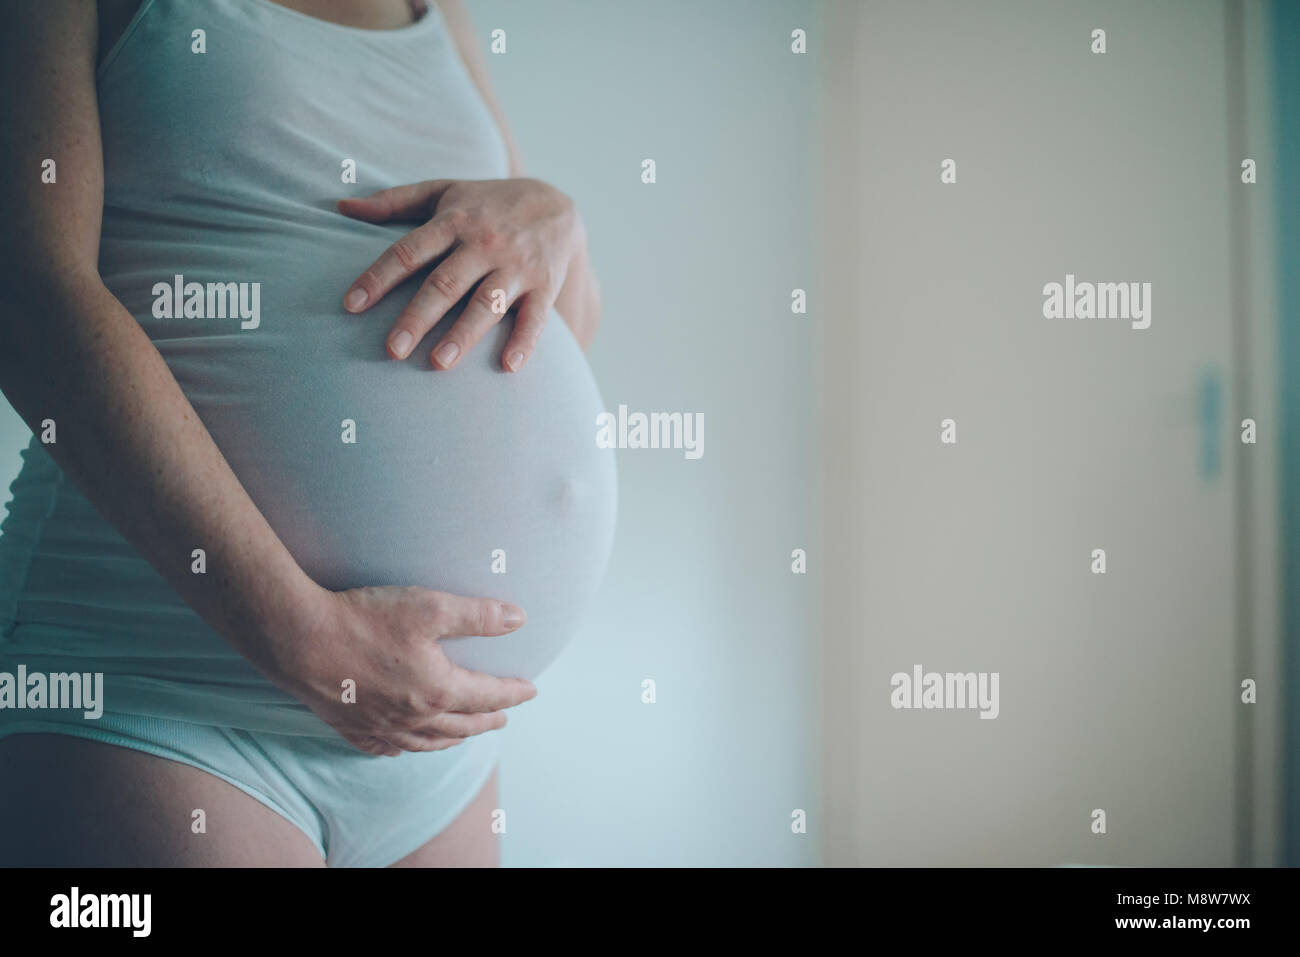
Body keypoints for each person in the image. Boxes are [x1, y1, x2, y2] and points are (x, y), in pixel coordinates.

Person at [0, 0, 617, 867]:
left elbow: (553, 332)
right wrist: (307, 640)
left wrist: (557, 218)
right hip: (161, 691)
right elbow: (29, 297)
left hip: (437, 749)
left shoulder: (440, 14)